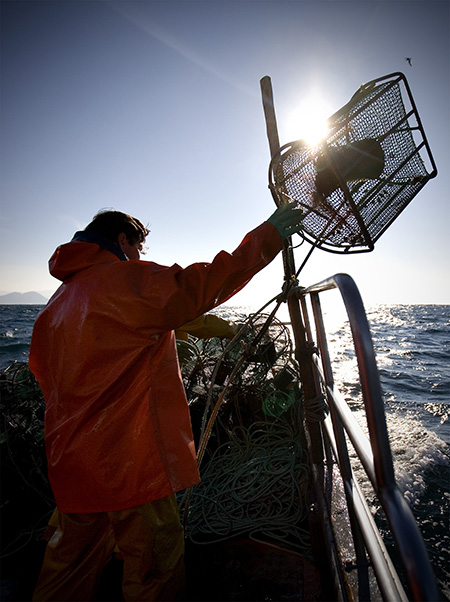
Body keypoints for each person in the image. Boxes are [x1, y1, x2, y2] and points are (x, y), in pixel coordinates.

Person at [29, 203, 303, 601]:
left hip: (72, 466)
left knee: (66, 569)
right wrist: (269, 236)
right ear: (123, 241)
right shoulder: (125, 279)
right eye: (138, 246)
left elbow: (45, 380)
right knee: (154, 568)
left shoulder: (55, 306)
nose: (140, 256)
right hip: (130, 466)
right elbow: (199, 286)